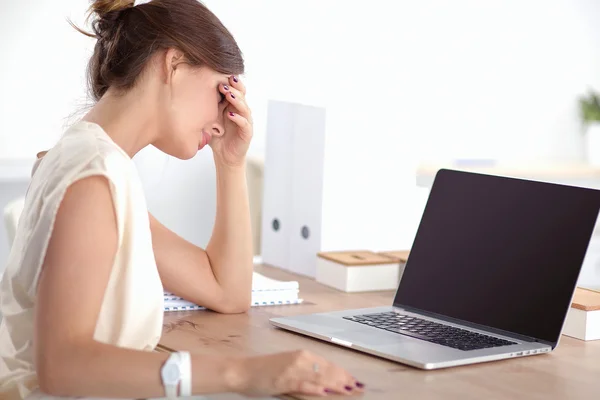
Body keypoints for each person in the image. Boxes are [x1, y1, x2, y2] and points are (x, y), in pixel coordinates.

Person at [0, 0, 365, 399]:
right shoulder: (93, 177)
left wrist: (229, 162)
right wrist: (242, 374)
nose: (221, 116)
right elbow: (64, 366)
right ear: (172, 65)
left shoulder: (91, 163)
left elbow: (227, 291)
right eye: (220, 90)